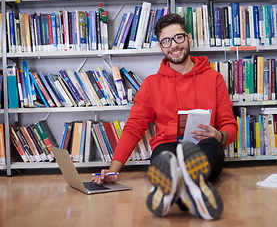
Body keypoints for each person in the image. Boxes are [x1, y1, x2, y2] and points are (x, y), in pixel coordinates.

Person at [92, 13, 238, 220]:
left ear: (188, 38)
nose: (174, 45)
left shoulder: (214, 78)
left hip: (204, 146)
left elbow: (230, 127)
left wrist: (219, 135)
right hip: (168, 146)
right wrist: (114, 169)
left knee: (209, 147)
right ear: (161, 47)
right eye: (166, 41)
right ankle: (190, 192)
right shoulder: (151, 84)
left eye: (178, 37)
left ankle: (174, 189)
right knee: (163, 156)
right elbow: (134, 127)